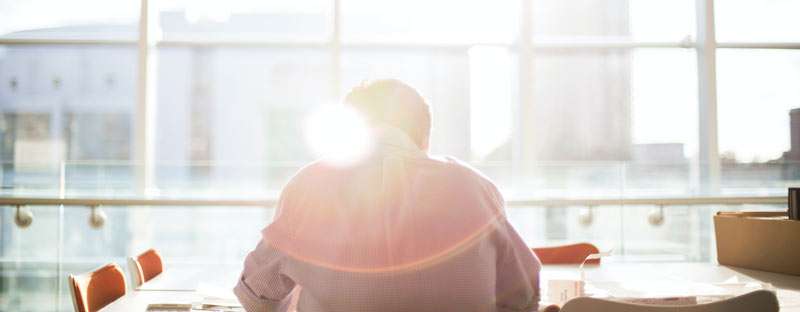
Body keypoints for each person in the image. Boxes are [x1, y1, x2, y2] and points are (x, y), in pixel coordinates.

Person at [234, 79, 540, 312]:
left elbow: (256, 293)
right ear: (424, 137)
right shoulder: (475, 187)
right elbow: (524, 294)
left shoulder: (311, 184)